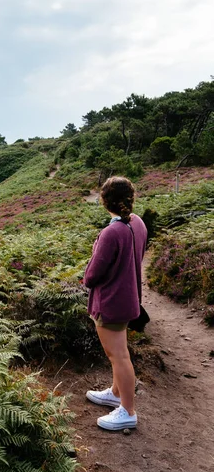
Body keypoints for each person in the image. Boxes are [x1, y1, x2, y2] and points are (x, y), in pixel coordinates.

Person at [83, 176, 147, 431]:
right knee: (120, 353)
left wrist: (96, 248)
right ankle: (115, 393)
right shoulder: (138, 223)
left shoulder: (112, 232)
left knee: (118, 356)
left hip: (111, 302)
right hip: (129, 297)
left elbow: (92, 275)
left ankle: (128, 411)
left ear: (105, 201)